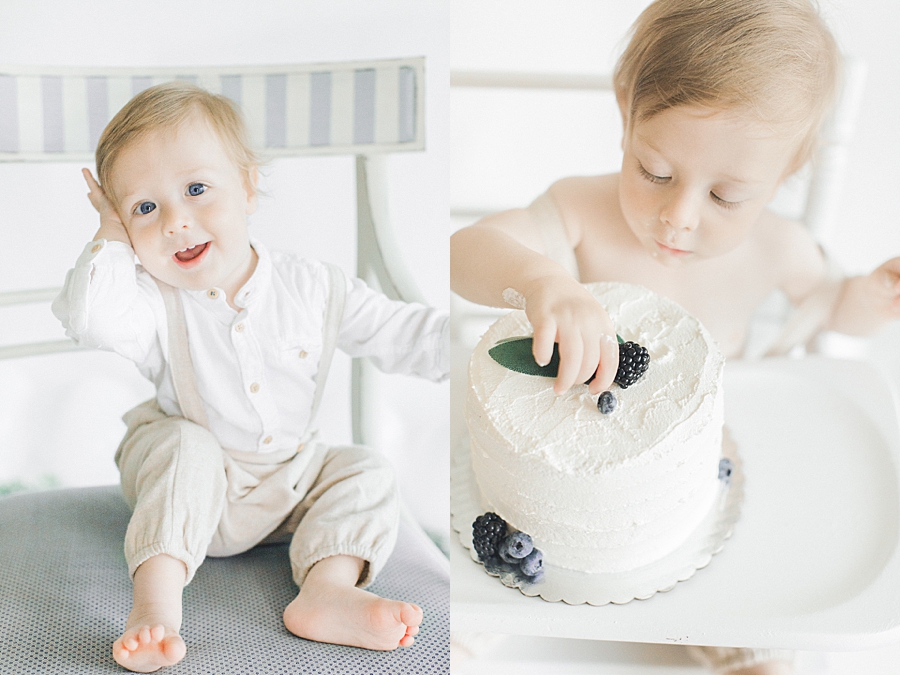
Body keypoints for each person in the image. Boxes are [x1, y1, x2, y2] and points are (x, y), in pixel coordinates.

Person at [450, 0, 900, 673]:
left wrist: (870, 297)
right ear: (625, 106)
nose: (679, 217)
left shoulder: (778, 247)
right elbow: (463, 250)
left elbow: (834, 309)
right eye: (655, 172)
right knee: (472, 603)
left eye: (726, 197)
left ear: (786, 173)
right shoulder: (580, 211)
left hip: (701, 483)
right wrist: (540, 279)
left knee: (763, 624)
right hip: (555, 488)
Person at [53, 81, 448, 673]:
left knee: (365, 469)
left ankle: (327, 589)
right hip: (190, 492)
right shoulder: (151, 302)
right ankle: (155, 607)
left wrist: (482, 347)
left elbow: (407, 335)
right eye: (144, 208)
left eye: (195, 189)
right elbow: (91, 318)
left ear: (246, 187)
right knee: (185, 443)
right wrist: (109, 232)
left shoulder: (313, 288)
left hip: (287, 488)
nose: (176, 222)